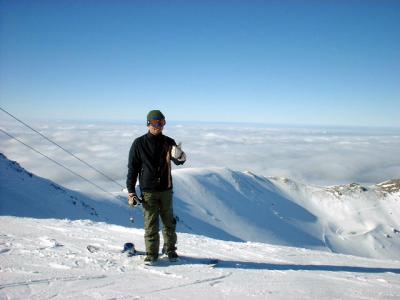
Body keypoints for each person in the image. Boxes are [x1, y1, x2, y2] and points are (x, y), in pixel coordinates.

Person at [126, 110, 186, 264]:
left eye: (162, 122)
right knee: (151, 224)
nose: (159, 126)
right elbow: (132, 169)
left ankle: (171, 251)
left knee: (169, 223)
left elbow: (180, 161)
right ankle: (152, 254)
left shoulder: (168, 141)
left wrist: (179, 155)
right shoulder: (139, 143)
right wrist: (131, 192)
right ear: (148, 124)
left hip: (166, 190)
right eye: (155, 123)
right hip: (148, 191)